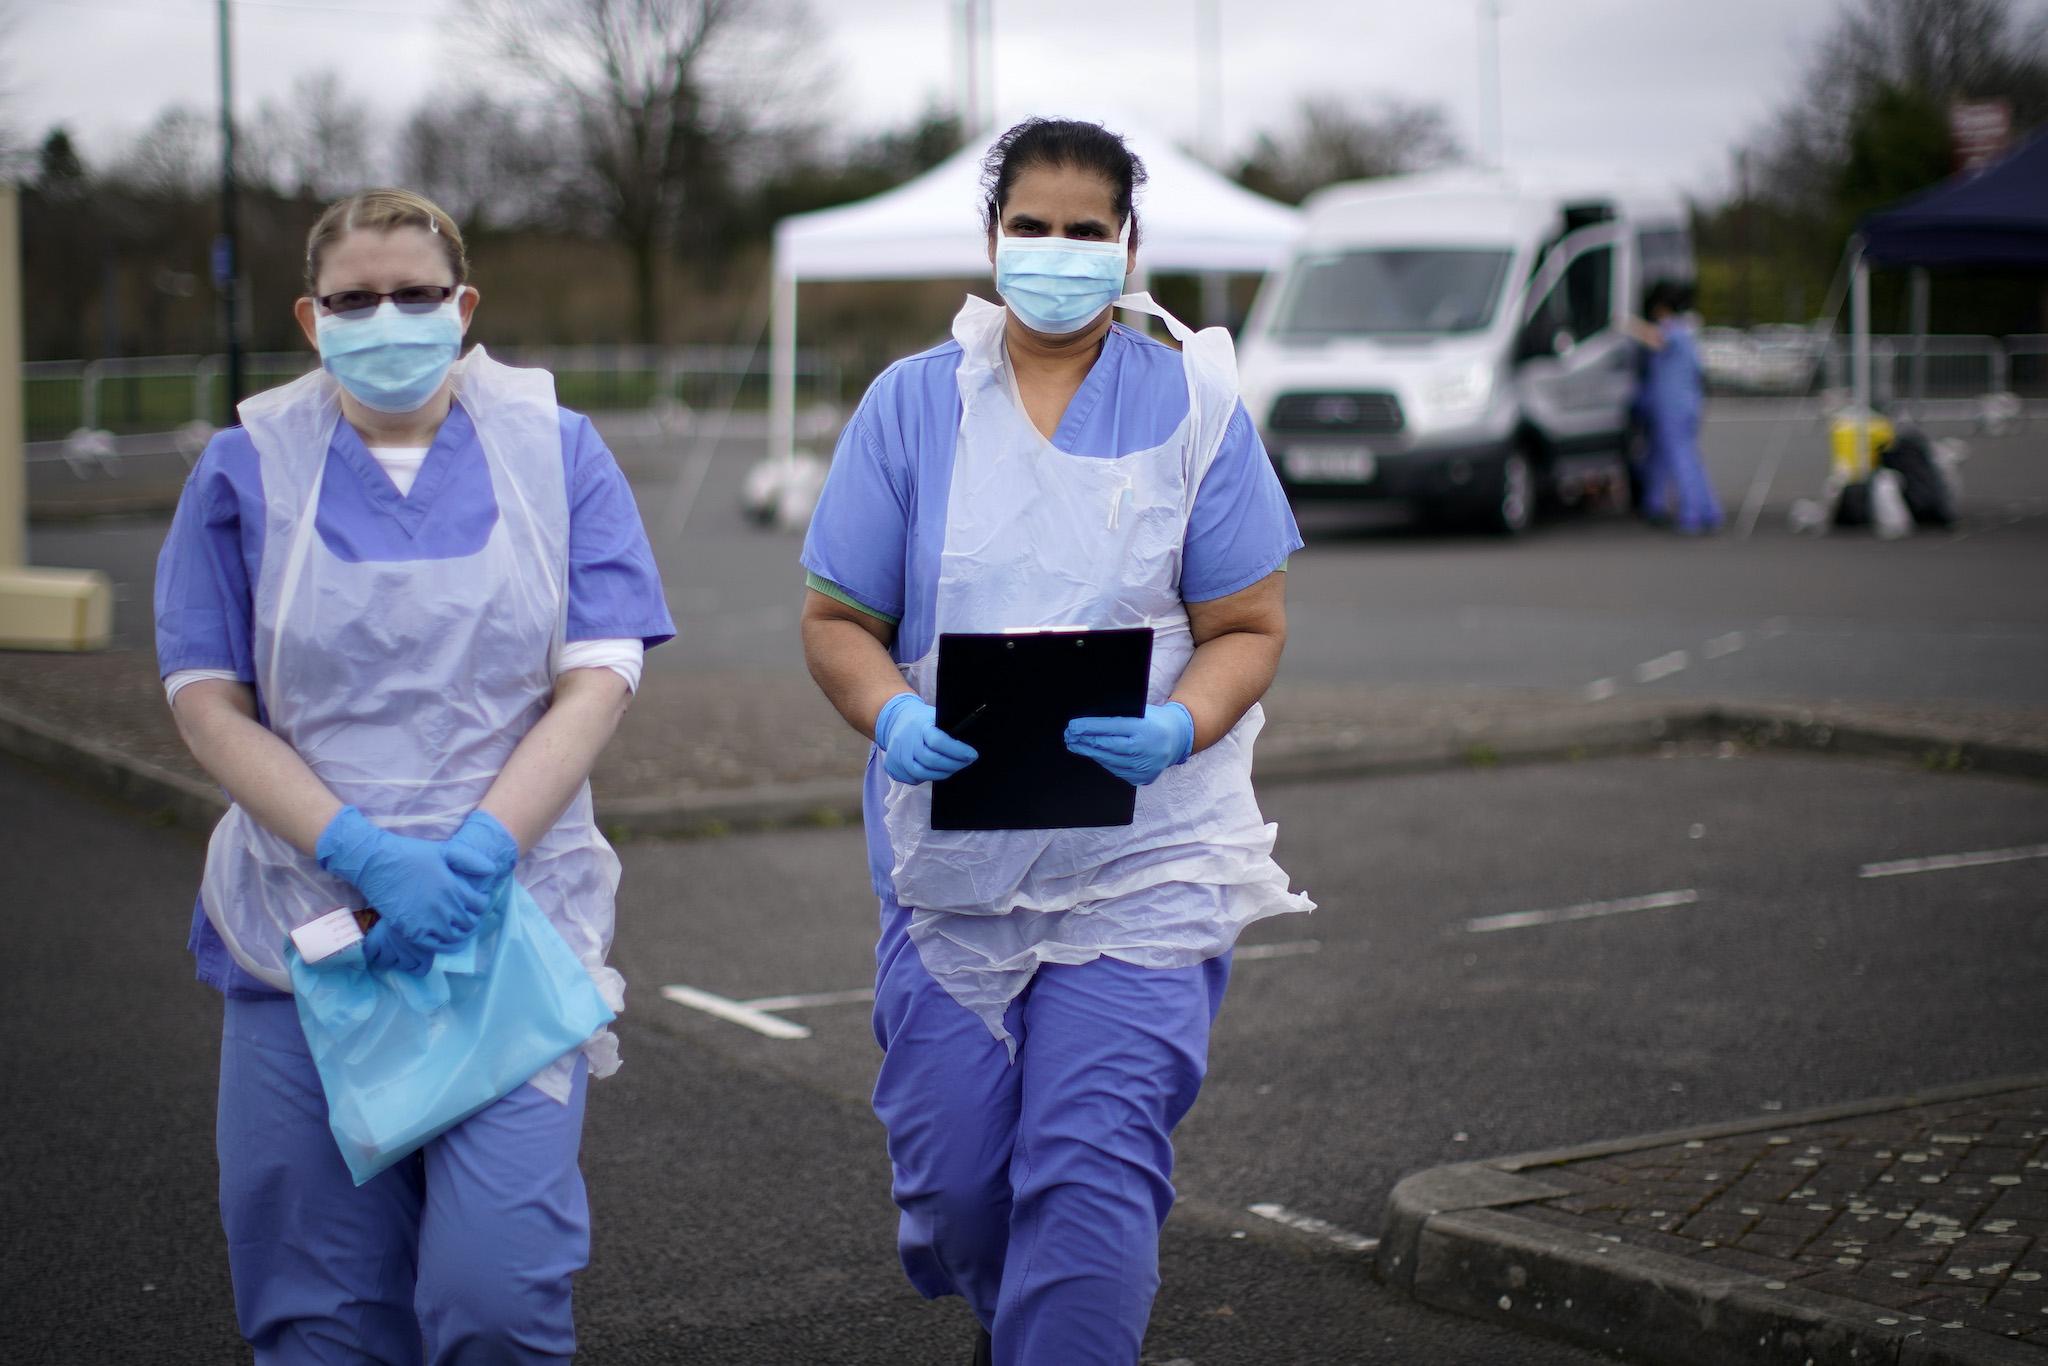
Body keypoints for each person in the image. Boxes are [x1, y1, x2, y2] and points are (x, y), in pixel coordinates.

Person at [798, 118, 1314, 1366]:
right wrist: (890, 711)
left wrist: (1179, 724)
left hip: (1143, 859)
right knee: (963, 1190)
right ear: (991, 237)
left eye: (1088, 229)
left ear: (1129, 246)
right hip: (954, 876)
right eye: (1032, 224)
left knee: (1088, 1184)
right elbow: (834, 622)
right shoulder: (911, 405)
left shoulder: (1191, 403)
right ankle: (1005, 1321)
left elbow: (1246, 624)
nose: (1058, 250)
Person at [154, 187, 673, 1363]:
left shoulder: (553, 447)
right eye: (354, 298)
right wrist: (360, 849)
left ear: (464, 305)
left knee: (498, 1294)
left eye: (415, 295)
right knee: (317, 1310)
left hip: (509, 924)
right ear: (309, 315)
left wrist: (481, 850)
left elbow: (598, 674)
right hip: (307, 934)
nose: (386, 316)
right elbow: (206, 699)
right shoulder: (243, 468)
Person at [1625, 279, 1722, 533]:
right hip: (1686, 404)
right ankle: (1699, 510)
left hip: (1673, 407)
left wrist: (1626, 324)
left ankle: (1692, 515)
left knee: (1681, 459)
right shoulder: (1689, 330)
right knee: (1675, 457)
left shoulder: (1673, 331)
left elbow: (1655, 339)